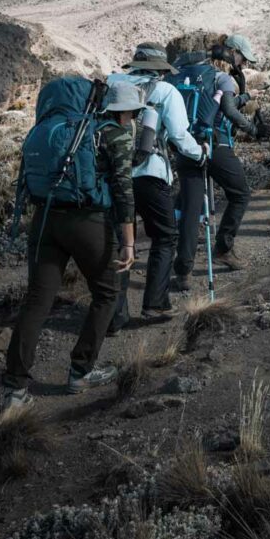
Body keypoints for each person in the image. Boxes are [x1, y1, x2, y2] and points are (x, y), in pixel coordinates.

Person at [3, 84, 138, 409]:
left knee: (37, 300)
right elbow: (123, 189)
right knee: (107, 293)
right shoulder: (110, 134)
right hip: (87, 220)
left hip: (45, 218)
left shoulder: (51, 130)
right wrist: (129, 241)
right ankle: (80, 370)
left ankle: (15, 389)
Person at [109, 44, 202, 329]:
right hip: (151, 174)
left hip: (113, 174)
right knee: (164, 237)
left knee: (121, 243)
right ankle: (155, 303)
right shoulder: (165, 91)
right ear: (161, 69)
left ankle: (113, 315)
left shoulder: (112, 84)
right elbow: (178, 134)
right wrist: (200, 154)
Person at [174, 35, 260, 283]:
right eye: (242, 59)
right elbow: (229, 111)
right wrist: (254, 130)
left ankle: (183, 271)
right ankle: (223, 249)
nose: (243, 64)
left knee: (191, 209)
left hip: (186, 147)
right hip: (215, 145)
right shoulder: (222, 78)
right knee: (240, 193)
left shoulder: (186, 74)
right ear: (233, 54)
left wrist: (244, 97)